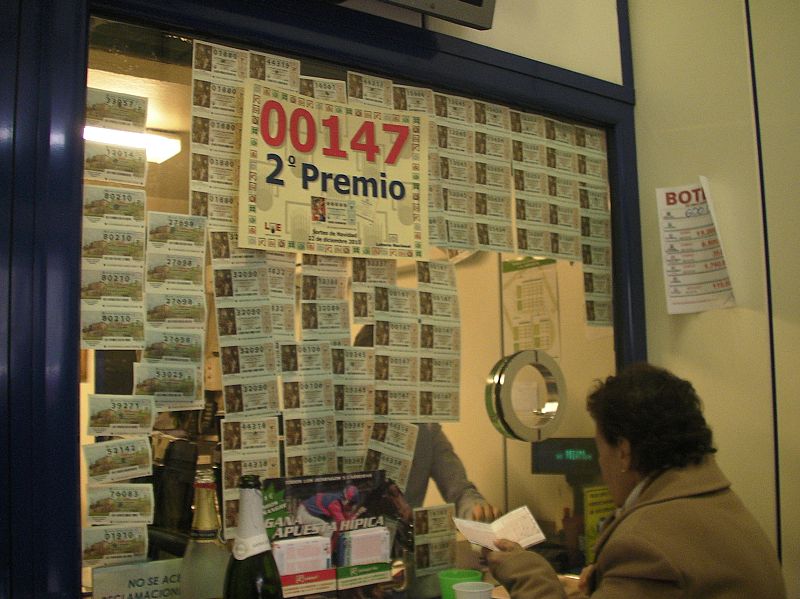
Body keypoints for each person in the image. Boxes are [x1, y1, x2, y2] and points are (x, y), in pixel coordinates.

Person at [486, 363, 787, 599]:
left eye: (600, 449)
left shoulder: (646, 544)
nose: (600, 464)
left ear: (624, 453)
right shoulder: (718, 504)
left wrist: (530, 573)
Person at [353, 325, 498, 522]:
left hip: (403, 549)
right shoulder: (340, 429)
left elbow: (459, 489)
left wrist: (476, 510)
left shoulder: (426, 430)